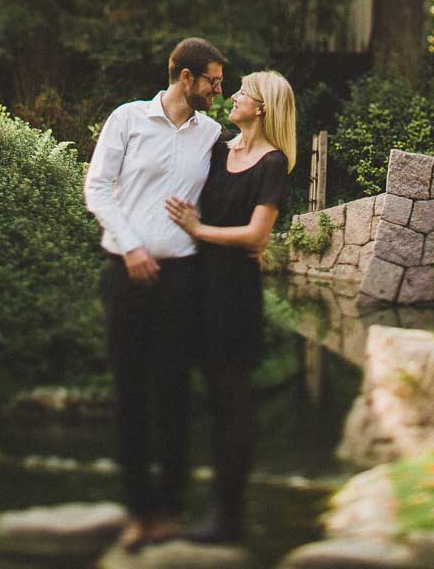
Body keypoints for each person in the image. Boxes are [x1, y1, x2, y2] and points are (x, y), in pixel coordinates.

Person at [83, 37, 227, 552]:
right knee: (130, 395)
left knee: (173, 393)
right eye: (212, 80)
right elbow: (97, 188)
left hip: (182, 279)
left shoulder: (212, 134)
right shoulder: (126, 119)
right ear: (185, 78)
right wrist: (132, 247)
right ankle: (138, 510)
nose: (219, 89)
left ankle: (170, 509)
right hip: (126, 272)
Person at [165, 68, 295, 547]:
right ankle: (185, 503)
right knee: (195, 396)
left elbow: (257, 235)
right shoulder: (220, 147)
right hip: (197, 285)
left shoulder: (273, 163)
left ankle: (229, 517)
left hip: (234, 294)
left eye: (242, 92)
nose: (232, 96)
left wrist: (199, 231)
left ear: (260, 107)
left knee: (231, 405)